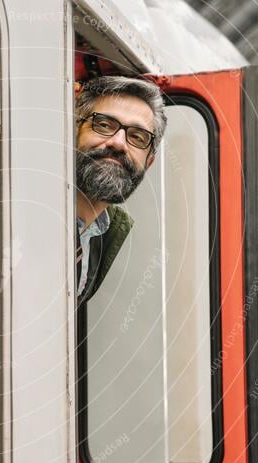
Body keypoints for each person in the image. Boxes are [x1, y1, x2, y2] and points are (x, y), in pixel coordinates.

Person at [74, 76, 167, 304]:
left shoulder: (105, 234)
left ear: (149, 162)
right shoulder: (29, 210)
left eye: (137, 136)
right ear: (73, 131)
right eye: (104, 125)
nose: (118, 142)